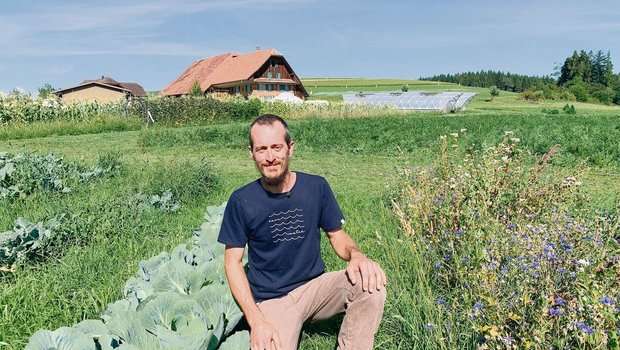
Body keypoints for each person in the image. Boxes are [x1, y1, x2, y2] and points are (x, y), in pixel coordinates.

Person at [218, 114, 387, 350]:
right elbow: (232, 263)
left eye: (277, 147)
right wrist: (255, 319)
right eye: (261, 149)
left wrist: (357, 255)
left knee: (371, 286)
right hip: (272, 300)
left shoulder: (316, 187)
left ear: (290, 148)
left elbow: (336, 236)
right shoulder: (242, 200)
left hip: (316, 289)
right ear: (251, 153)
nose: (270, 157)